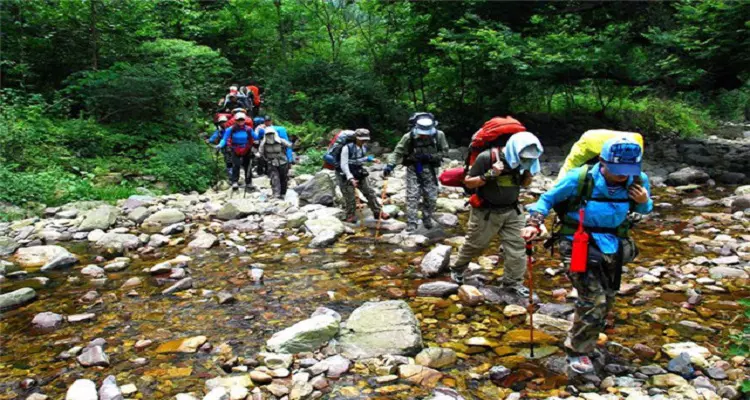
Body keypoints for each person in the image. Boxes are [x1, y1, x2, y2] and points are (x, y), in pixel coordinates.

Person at [521, 136, 653, 375]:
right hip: (577, 243)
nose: (623, 174)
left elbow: (643, 209)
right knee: (593, 300)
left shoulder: (637, 180)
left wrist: (644, 201)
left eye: (627, 170)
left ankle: (588, 341)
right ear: (602, 162)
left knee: (609, 298)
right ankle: (577, 350)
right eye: (617, 169)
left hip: (613, 244)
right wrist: (533, 223)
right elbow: (546, 200)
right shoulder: (580, 178)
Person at [450, 132, 544, 299]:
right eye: (523, 157)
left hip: (513, 211)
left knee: (518, 248)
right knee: (476, 244)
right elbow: (469, 182)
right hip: (486, 211)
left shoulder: (526, 161)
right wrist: (490, 174)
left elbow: (524, 184)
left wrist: (528, 175)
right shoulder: (487, 157)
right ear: (514, 150)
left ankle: (513, 282)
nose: (526, 160)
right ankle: (457, 269)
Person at [384, 115, 449, 232]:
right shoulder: (408, 137)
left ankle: (427, 218)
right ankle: (411, 223)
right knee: (412, 196)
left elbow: (444, 152)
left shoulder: (439, 135)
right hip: (413, 168)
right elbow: (397, 152)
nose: (424, 135)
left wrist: (430, 156)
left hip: (431, 169)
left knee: (431, 197)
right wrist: (390, 165)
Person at [337, 129, 389, 223]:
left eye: (365, 140)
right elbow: (343, 164)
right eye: (361, 139)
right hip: (345, 173)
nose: (363, 141)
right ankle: (350, 215)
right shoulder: (346, 148)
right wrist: (350, 178)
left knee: (370, 192)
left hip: (358, 171)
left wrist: (370, 159)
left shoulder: (363, 147)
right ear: (356, 138)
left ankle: (378, 212)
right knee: (350, 196)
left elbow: (359, 159)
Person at [557, 130, 644, 181]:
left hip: (593, 140)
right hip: (590, 142)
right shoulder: (636, 145)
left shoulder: (636, 144)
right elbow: (571, 164)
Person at [217, 112, 258, 191]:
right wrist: (220, 145)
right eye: (239, 120)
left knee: (247, 166)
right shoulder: (230, 129)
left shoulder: (248, 129)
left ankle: (248, 182)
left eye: (242, 119)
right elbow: (224, 139)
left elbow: (255, 137)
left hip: (246, 148)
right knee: (236, 165)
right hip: (235, 149)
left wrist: (261, 134)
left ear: (244, 120)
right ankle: (235, 182)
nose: (240, 121)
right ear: (235, 120)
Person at [257, 126, 292, 199]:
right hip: (271, 163)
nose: (270, 136)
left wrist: (294, 143)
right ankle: (276, 194)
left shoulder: (281, 141)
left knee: (283, 178)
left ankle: (283, 194)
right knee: (274, 178)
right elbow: (260, 152)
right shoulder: (263, 143)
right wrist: (257, 154)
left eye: (271, 134)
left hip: (283, 162)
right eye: (268, 134)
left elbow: (289, 145)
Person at [208, 115, 232, 181]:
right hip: (224, 147)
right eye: (221, 122)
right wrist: (209, 140)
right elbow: (214, 136)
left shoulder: (230, 129)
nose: (223, 123)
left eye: (224, 122)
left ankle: (232, 175)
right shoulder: (219, 131)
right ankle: (231, 175)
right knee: (227, 161)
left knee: (230, 161)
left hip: (231, 147)